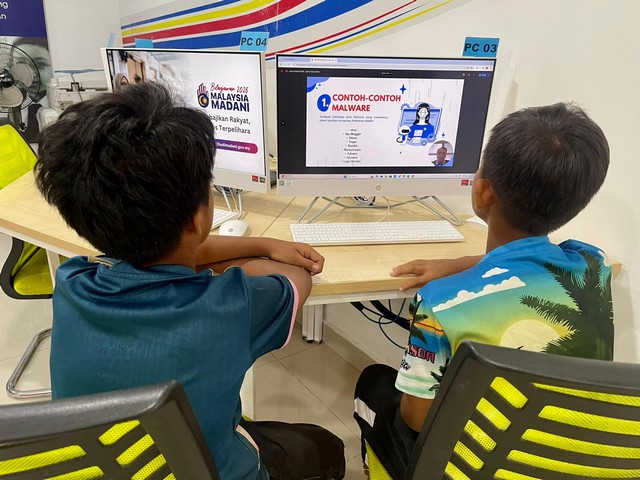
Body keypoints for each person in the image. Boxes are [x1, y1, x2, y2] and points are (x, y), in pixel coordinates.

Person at [34, 82, 346, 480]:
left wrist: (258, 246)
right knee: (325, 446)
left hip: (107, 466)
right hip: (218, 472)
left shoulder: (72, 281)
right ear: (199, 219)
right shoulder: (235, 306)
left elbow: (162, 252)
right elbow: (296, 277)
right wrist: (258, 254)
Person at [354, 102, 613, 478]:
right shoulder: (594, 266)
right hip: (565, 457)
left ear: (483, 192)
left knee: (374, 383)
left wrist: (457, 274)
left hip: (473, 466)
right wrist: (462, 263)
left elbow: (416, 418)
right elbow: (533, 257)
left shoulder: (440, 303)